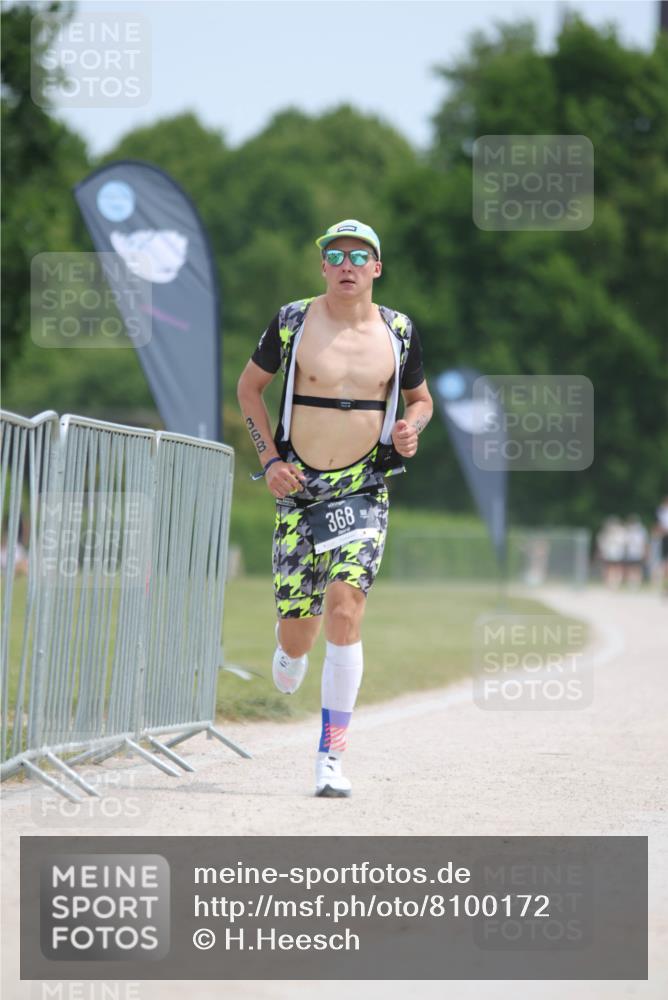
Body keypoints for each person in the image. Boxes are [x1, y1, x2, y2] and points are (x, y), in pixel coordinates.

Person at [237, 219, 433, 797]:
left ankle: (331, 756)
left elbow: (420, 402)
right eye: (335, 254)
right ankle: (288, 650)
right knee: (300, 636)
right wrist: (269, 461)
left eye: (359, 255)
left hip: (362, 488)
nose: (347, 264)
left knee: (345, 608)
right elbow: (250, 389)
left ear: (377, 267)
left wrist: (410, 429)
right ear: (323, 265)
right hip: (298, 488)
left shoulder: (398, 331)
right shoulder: (293, 321)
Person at [623, 515, 648, 589]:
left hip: (638, 553)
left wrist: (645, 552)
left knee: (637, 569)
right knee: (630, 568)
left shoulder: (641, 531)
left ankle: (636, 584)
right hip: (630, 553)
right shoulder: (628, 530)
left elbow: (644, 543)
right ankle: (631, 583)